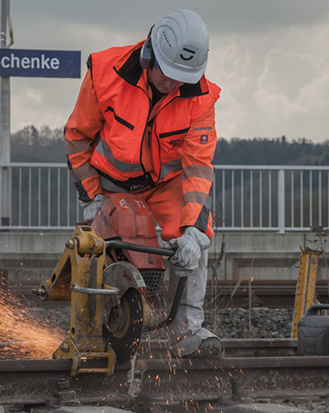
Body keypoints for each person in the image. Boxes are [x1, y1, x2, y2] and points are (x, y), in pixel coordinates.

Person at [64, 9, 222, 358]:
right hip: (112, 184)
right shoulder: (106, 73)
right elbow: (77, 138)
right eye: (167, 74)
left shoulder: (200, 97)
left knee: (194, 239)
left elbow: (198, 165)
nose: (172, 83)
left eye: (181, 77)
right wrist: (92, 196)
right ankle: (96, 330)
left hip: (166, 185)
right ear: (149, 53)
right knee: (97, 251)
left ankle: (188, 334)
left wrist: (193, 231)